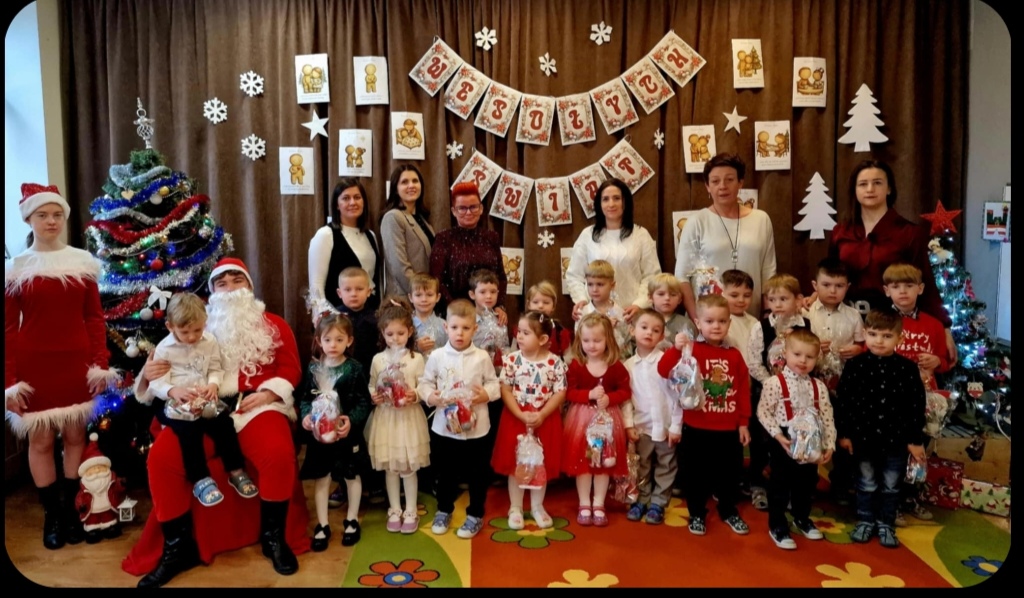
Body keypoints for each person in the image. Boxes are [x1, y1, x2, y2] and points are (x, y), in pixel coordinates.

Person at [125, 258, 307, 587]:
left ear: (249, 287)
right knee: (161, 460)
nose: (229, 288)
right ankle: (178, 548)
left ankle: (274, 537)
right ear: (211, 293)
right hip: (204, 407)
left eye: (237, 280)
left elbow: (291, 370)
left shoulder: (275, 324)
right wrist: (148, 375)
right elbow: (159, 371)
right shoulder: (194, 325)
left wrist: (269, 395)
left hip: (257, 406)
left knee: (278, 454)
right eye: (221, 283)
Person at [5, 183, 118, 550]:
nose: (51, 221)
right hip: (33, 364)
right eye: (43, 215)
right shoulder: (16, 269)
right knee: (39, 439)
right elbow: (7, 328)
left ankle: (72, 509)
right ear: (29, 218)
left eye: (57, 214)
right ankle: (52, 514)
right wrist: (8, 382)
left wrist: (99, 364)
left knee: (74, 435)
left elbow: (94, 317)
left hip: (77, 362)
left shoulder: (81, 262)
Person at [828, 159, 955, 362]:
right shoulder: (840, 232)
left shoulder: (909, 233)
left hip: (891, 327)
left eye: (877, 183)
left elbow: (925, 282)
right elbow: (830, 275)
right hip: (848, 324)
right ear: (855, 190)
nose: (870, 189)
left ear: (889, 189)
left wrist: (944, 327)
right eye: (863, 184)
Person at [140, 292, 257, 507]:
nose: (192, 337)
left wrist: (213, 384)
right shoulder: (164, 349)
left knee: (223, 422)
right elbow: (156, 382)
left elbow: (215, 367)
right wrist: (173, 390)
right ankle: (200, 479)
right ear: (170, 327)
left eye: (198, 330)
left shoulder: (209, 341)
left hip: (200, 397)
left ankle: (236, 470)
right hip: (171, 401)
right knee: (189, 431)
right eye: (185, 332)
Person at [659, 294, 751, 537]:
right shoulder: (691, 349)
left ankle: (729, 510)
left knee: (729, 474)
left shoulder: (735, 355)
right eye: (710, 321)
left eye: (722, 321)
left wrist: (743, 423)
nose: (716, 326)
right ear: (698, 323)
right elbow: (664, 370)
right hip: (697, 427)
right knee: (695, 474)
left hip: (728, 429)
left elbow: (742, 391)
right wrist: (676, 349)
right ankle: (697, 513)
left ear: (729, 324)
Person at [835, 310, 927, 549]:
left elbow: (916, 406)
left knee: (891, 485)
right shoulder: (855, 366)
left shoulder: (907, 369)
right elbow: (844, 402)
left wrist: (914, 440)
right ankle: (865, 520)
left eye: (886, 336)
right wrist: (844, 433)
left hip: (895, 441)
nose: (878, 340)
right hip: (863, 439)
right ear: (864, 334)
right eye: (873, 334)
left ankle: (886, 523)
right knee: (865, 482)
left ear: (900, 338)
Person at [417, 299, 501, 539]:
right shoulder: (436, 356)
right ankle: (444, 509)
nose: (460, 333)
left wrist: (486, 394)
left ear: (475, 329)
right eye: (454, 327)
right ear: (446, 328)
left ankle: (475, 513)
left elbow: (494, 383)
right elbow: (425, 383)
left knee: (478, 472)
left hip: (477, 428)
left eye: (466, 328)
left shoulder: (482, 357)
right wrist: (430, 397)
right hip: (445, 427)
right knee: (445, 472)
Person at [297, 313, 372, 550]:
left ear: (349, 341)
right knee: (322, 478)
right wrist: (307, 416)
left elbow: (364, 401)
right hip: (320, 437)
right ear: (319, 340)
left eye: (339, 340)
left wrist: (351, 420)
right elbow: (305, 400)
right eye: (327, 340)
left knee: (352, 475)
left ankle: (351, 519)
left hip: (346, 435)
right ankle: (322, 524)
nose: (333, 345)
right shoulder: (313, 370)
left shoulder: (355, 369)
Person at [757, 329, 836, 550]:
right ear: (786, 353)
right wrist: (778, 435)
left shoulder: (818, 386)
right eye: (797, 354)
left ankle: (802, 517)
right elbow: (763, 412)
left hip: (811, 440)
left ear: (817, 358)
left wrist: (829, 443)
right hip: (784, 437)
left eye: (809, 357)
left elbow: (826, 415)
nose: (803, 361)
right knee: (780, 483)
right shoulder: (774, 383)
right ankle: (778, 524)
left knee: (806, 482)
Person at [884, 263, 949, 525]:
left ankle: (912, 496)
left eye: (909, 286)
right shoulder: (883, 320)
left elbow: (944, 361)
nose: (903, 292)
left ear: (920, 289)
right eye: (897, 287)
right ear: (887, 291)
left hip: (925, 397)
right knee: (895, 449)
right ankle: (893, 501)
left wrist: (937, 361)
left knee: (920, 448)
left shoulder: (932, 325)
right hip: (891, 396)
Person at [675, 153, 777, 318]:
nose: (722, 186)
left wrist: (767, 313)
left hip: (750, 318)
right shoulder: (697, 222)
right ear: (708, 186)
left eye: (729, 179)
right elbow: (682, 276)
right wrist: (698, 319)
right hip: (708, 320)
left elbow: (769, 272)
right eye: (715, 181)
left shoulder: (761, 219)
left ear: (740, 183)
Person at [491, 311, 568, 530]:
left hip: (545, 419)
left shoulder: (555, 363)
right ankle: (515, 506)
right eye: (519, 332)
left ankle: (537, 505)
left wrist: (542, 414)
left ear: (543, 339)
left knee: (538, 464)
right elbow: (505, 388)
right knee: (517, 464)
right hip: (516, 418)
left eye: (526, 333)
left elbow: (560, 392)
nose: (520, 337)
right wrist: (520, 413)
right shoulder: (512, 360)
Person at [802, 258, 864, 505]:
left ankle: (840, 485)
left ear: (847, 287)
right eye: (826, 284)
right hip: (811, 382)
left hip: (843, 384)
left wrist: (858, 349)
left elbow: (862, 342)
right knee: (810, 431)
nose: (832, 290)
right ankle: (807, 483)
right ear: (815, 285)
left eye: (839, 286)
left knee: (841, 433)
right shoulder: (804, 311)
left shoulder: (853, 315)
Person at [746, 274, 810, 510]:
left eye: (784, 298)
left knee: (791, 439)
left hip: (798, 396)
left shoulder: (806, 325)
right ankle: (758, 484)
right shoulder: (760, 327)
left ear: (798, 299)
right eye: (773, 300)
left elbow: (811, 355)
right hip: (769, 393)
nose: (778, 304)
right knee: (763, 440)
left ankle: (790, 487)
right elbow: (754, 362)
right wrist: (774, 383)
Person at [366, 299, 430, 534]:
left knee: (408, 467)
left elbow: (424, 385)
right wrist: (375, 396)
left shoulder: (416, 359)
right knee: (390, 467)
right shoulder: (378, 360)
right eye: (390, 334)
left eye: (400, 333)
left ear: (410, 331)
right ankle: (394, 508)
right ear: (383, 333)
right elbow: (372, 385)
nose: (395, 338)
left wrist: (416, 395)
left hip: (408, 419)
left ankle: (411, 509)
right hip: (386, 419)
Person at [562, 313, 630, 528]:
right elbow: (569, 392)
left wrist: (610, 398)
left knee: (604, 462)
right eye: (586, 340)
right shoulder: (576, 365)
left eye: (597, 341)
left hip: (608, 421)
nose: (591, 345)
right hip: (581, 420)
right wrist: (588, 395)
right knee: (583, 463)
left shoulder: (616, 366)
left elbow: (625, 390)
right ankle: (584, 502)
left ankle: (599, 502)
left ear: (608, 340)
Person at [566, 178, 662, 324]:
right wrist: (582, 301)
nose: (611, 204)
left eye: (616, 198)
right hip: (594, 320)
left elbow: (652, 276)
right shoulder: (587, 235)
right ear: (599, 204)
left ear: (625, 202)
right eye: (605, 199)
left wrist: (639, 304)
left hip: (631, 317)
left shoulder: (641, 235)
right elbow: (574, 275)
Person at [622, 309, 681, 525]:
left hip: (665, 427)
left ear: (662, 336)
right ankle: (642, 499)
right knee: (643, 465)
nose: (649, 333)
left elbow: (676, 396)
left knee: (667, 465)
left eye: (656, 330)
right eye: (644, 327)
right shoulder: (628, 366)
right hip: (642, 427)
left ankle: (658, 503)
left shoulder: (666, 362)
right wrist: (628, 425)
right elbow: (626, 399)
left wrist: (676, 426)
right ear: (632, 330)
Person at [429, 182, 508, 325]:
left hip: (488, 313)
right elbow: (437, 280)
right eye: (462, 208)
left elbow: (501, 276)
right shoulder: (444, 238)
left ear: (481, 208)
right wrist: (457, 309)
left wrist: (499, 306)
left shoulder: (492, 237)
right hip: (456, 316)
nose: (468, 212)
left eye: (473, 207)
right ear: (453, 211)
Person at [308, 177, 385, 321]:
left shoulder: (370, 235)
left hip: (369, 317)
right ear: (337, 205)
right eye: (346, 198)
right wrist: (324, 319)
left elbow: (375, 281)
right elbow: (316, 287)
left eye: (357, 197)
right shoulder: (325, 235)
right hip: (338, 322)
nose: (352, 202)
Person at [380, 165, 435, 297]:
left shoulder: (422, 219)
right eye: (404, 182)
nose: (411, 185)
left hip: (424, 299)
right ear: (395, 189)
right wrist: (420, 294)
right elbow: (399, 266)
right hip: (405, 298)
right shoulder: (393, 217)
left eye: (415, 181)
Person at [574, 259, 630, 354]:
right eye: (590, 284)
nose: (594, 289)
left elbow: (627, 341)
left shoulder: (619, 312)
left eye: (600, 284)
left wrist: (614, 330)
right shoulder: (584, 312)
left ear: (612, 285)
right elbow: (579, 340)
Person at [469, 268, 510, 371]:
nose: (488, 296)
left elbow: (505, 346)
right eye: (482, 292)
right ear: (472, 294)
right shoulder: (467, 320)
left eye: (493, 292)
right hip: (473, 369)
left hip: (497, 371)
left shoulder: (500, 319)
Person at [523, 281, 573, 359]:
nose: (540, 306)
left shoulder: (560, 332)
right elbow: (513, 354)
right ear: (529, 304)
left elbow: (568, 358)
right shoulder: (521, 329)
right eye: (535, 302)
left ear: (553, 305)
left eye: (546, 302)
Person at [721, 269, 760, 369]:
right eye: (734, 295)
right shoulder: (719, 321)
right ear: (722, 293)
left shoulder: (754, 322)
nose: (741, 300)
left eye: (747, 295)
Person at [647, 273, 697, 350]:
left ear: (679, 299)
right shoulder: (644, 321)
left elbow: (694, 350)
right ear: (650, 297)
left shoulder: (686, 324)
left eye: (673, 294)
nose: (667, 298)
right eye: (661, 294)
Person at [408, 272, 447, 357]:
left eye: (429, 295)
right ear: (411, 297)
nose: (424, 299)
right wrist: (415, 347)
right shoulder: (405, 324)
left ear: (437, 297)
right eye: (418, 295)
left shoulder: (444, 325)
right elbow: (397, 349)